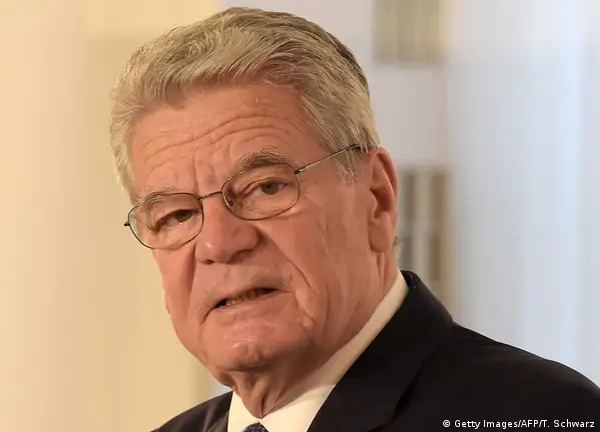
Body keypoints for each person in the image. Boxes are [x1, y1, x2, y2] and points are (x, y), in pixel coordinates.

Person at [108, 7, 600, 432]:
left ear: (376, 198)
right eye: (176, 214)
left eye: (265, 187)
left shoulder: (540, 413)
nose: (220, 242)